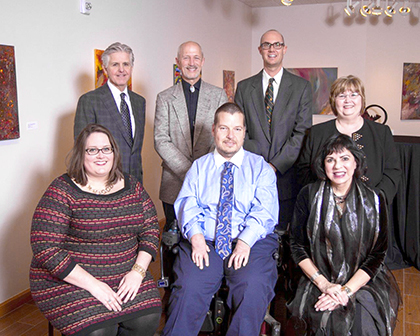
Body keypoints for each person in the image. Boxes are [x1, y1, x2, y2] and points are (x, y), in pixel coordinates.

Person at [30, 124, 161, 336]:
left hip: (126, 273)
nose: (100, 155)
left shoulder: (133, 187)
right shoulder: (62, 190)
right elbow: (46, 248)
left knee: (147, 318)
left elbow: (150, 229)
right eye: (92, 150)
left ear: (114, 152)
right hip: (73, 279)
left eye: (106, 149)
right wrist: (93, 285)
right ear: (80, 154)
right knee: (99, 331)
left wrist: (138, 272)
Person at [162, 103, 279, 336]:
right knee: (189, 288)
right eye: (224, 128)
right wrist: (195, 237)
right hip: (205, 241)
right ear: (214, 130)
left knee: (252, 288)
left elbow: (264, 211)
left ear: (244, 132)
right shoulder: (199, 167)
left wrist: (245, 242)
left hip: (250, 242)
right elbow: (188, 204)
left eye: (237, 129)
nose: (230, 136)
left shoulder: (260, 168)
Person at [288, 134, 400, 336]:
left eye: (345, 158)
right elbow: (297, 246)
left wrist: (345, 290)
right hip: (317, 276)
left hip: (362, 280)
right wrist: (325, 284)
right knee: (321, 318)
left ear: (356, 162)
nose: (338, 166)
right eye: (330, 159)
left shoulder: (375, 200)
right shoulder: (308, 195)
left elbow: (378, 254)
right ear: (323, 165)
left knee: (363, 321)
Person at [235, 29, 312, 230]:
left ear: (284, 49)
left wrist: (275, 165)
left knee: (285, 237)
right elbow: (239, 131)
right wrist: (261, 164)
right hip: (252, 175)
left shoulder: (301, 87)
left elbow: (302, 133)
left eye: (277, 44)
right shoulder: (244, 88)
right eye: (267, 45)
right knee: (253, 235)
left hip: (287, 178)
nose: (272, 49)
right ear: (260, 50)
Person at [154, 41, 228, 227]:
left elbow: (223, 136)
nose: (191, 62)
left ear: (203, 61)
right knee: (172, 242)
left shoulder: (219, 95)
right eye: (186, 57)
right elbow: (161, 139)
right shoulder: (165, 98)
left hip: (209, 181)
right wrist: (190, 171)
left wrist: (203, 170)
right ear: (178, 62)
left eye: (196, 57)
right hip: (174, 183)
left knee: (206, 239)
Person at [298, 75, 400, 205]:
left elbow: (392, 172)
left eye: (354, 95)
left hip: (373, 209)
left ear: (362, 99)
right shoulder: (317, 132)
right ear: (333, 101)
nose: (348, 100)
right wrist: (323, 198)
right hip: (326, 209)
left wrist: (376, 200)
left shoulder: (382, 132)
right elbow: (303, 171)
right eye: (341, 96)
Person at [74, 42, 145, 183]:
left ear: (131, 68)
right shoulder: (89, 100)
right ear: (105, 69)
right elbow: (82, 148)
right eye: (115, 65)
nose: (121, 70)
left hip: (135, 181)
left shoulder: (139, 102)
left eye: (126, 64)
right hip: (104, 182)